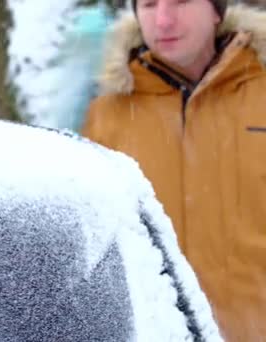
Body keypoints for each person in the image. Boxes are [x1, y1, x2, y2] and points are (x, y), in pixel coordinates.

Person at [82, 1, 266, 340]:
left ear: (216, 11)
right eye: (149, 5)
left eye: (181, 1)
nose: (163, 20)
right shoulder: (107, 116)